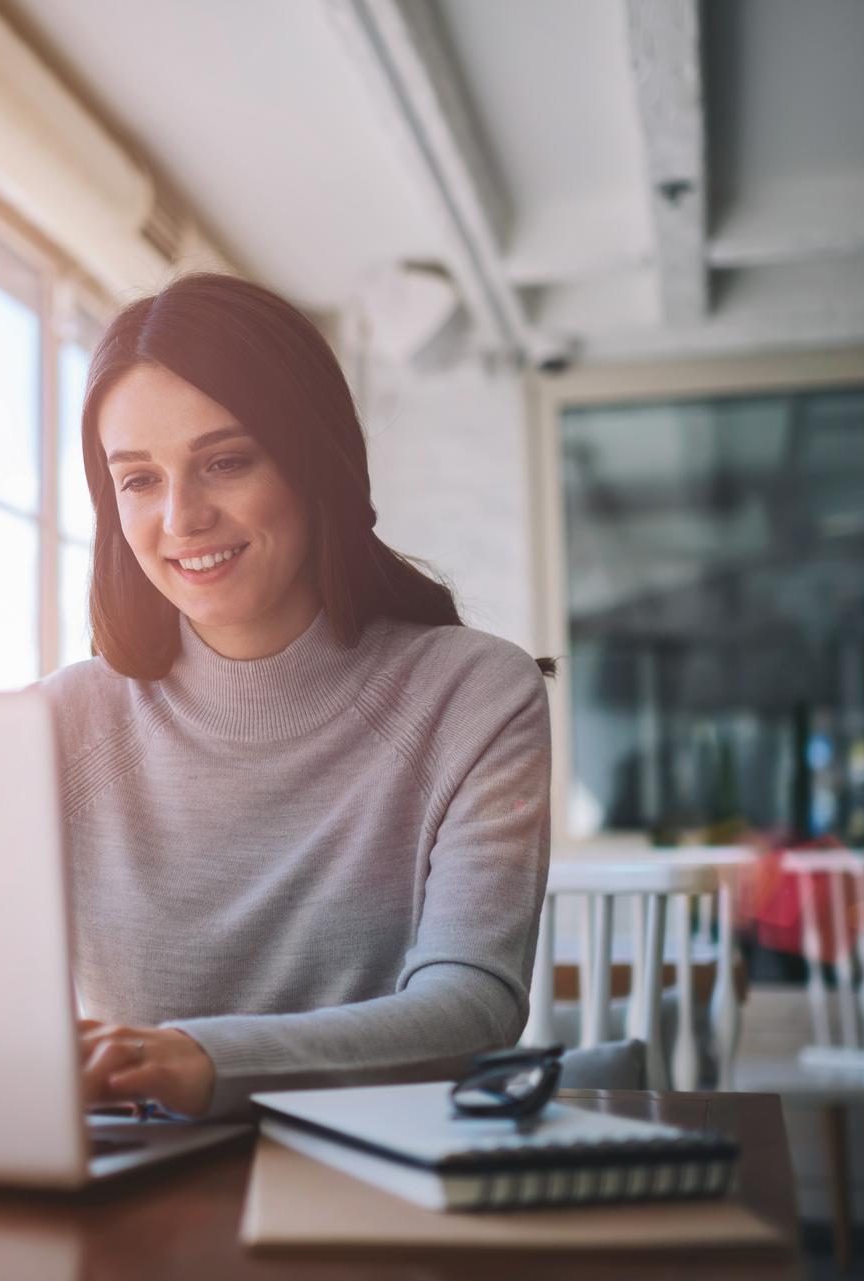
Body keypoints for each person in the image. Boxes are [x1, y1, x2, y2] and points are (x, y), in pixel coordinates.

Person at [44, 273, 554, 1120]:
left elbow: (473, 1008)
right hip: (132, 1190)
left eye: (225, 461)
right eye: (138, 479)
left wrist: (204, 1057)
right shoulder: (58, 724)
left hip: (380, 1183)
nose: (181, 516)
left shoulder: (473, 694)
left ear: (314, 460)